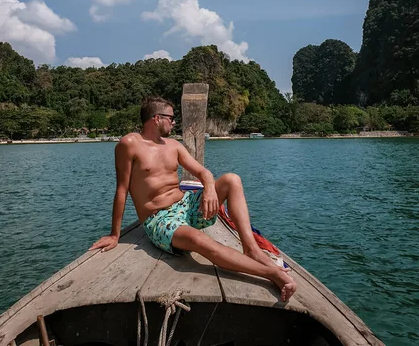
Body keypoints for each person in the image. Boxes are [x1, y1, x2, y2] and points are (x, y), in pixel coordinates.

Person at [90, 96, 297, 301]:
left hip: (186, 205)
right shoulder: (129, 144)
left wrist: (209, 189)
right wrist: (114, 234)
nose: (173, 122)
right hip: (160, 218)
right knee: (199, 240)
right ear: (156, 118)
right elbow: (121, 190)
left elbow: (204, 173)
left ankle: (251, 249)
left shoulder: (174, 145)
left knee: (231, 180)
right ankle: (270, 274)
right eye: (171, 118)